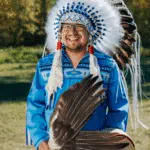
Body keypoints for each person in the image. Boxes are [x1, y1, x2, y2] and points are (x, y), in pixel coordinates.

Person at [26, 0, 132, 149]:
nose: (72, 32)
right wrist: (40, 139)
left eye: (79, 26)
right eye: (67, 27)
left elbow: (118, 108)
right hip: (54, 145)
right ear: (60, 33)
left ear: (90, 31)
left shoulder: (107, 66)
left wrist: (109, 139)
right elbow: (35, 104)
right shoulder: (45, 66)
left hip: (93, 143)